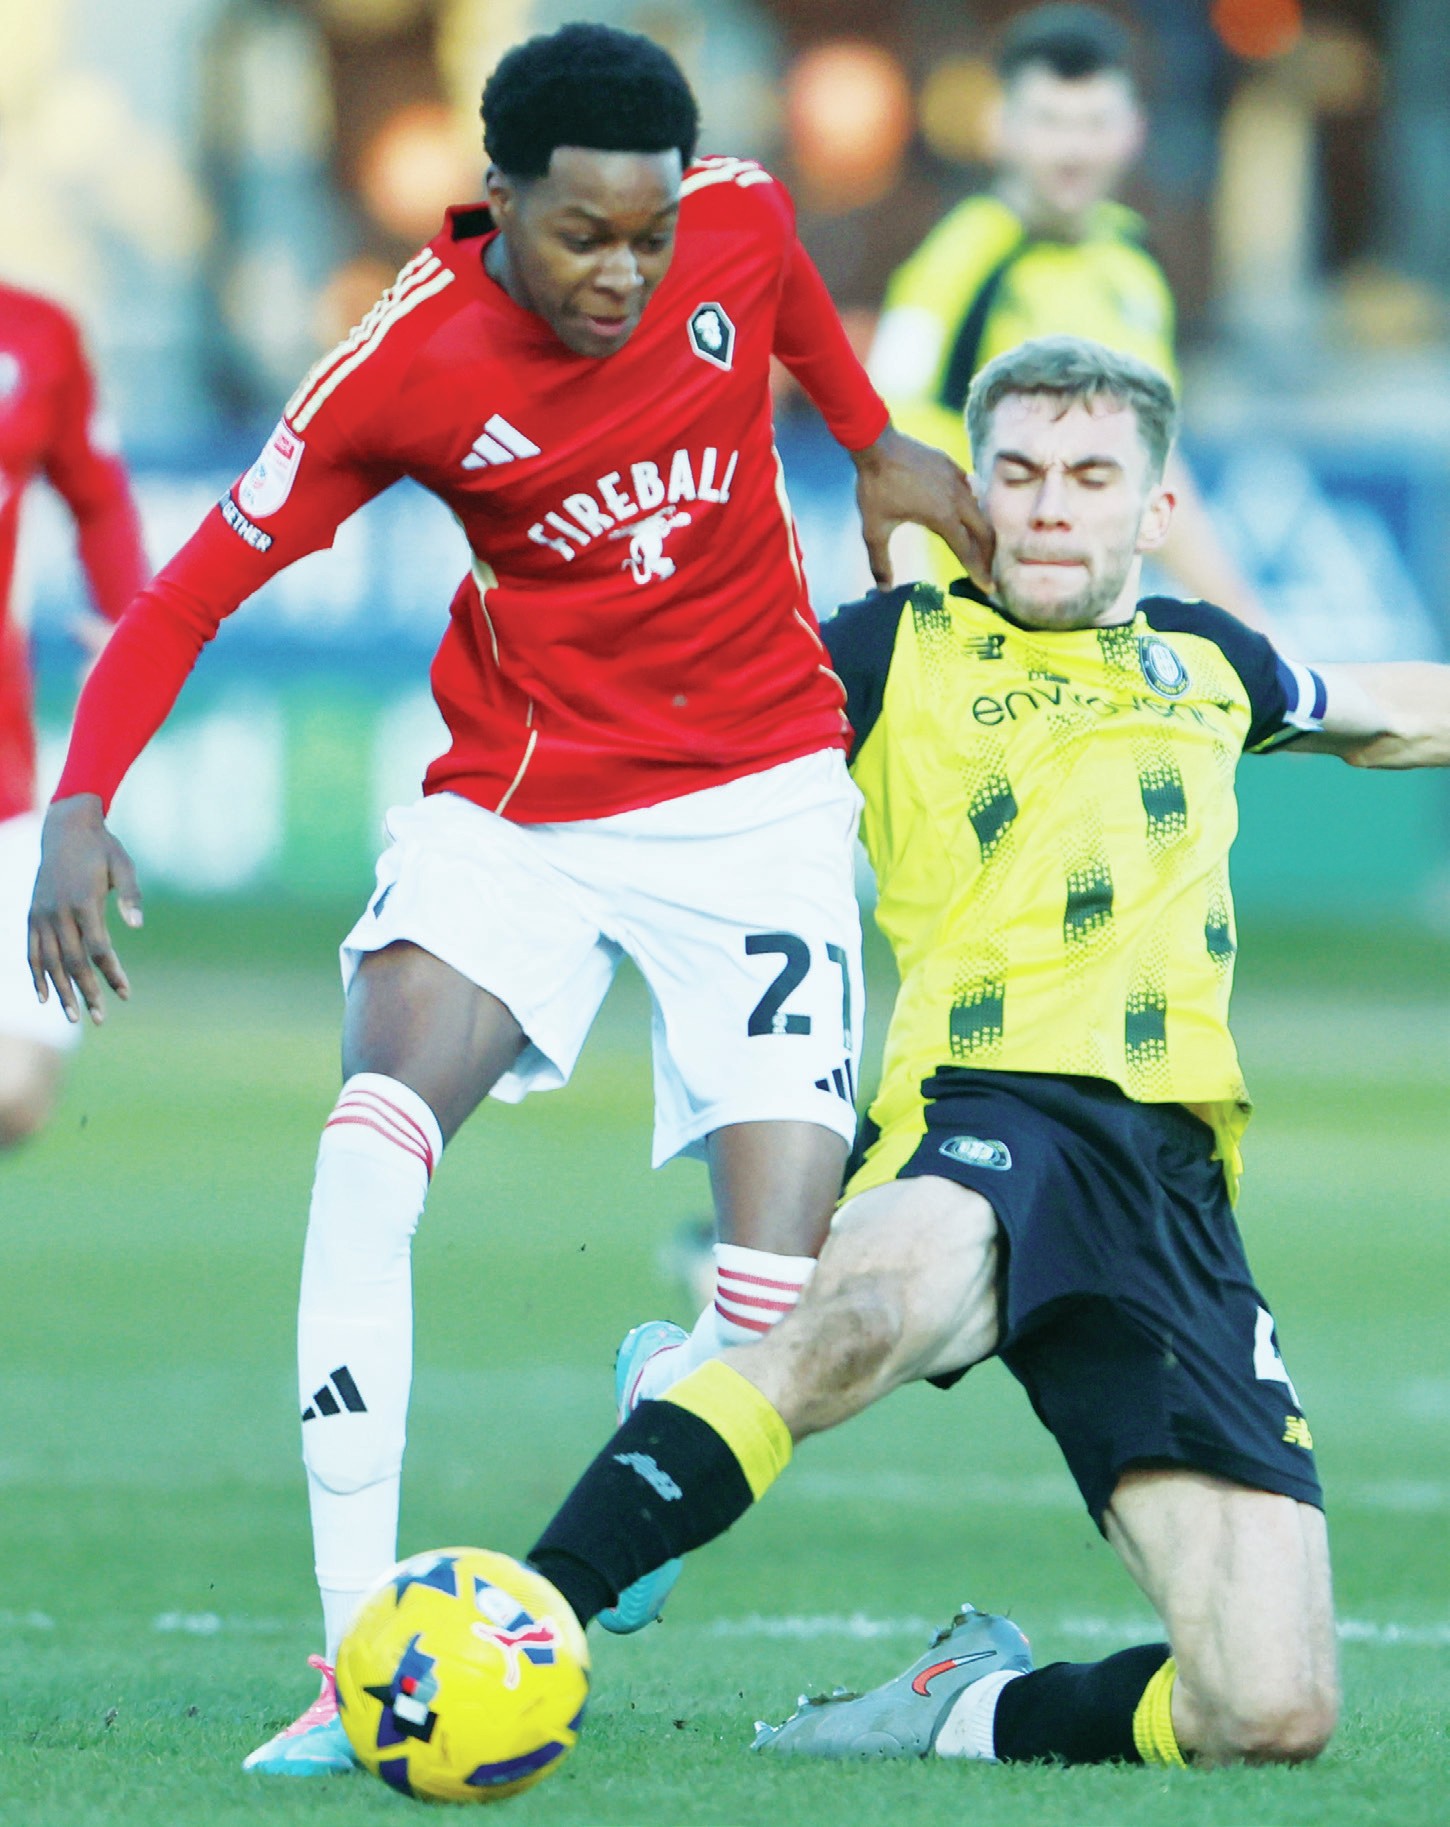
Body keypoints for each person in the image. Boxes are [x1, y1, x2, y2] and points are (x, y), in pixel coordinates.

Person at [25, 22, 990, 1776]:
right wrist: (80, 801)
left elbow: (784, 298)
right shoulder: (406, 361)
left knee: (772, 1306)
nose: (624, 273)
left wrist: (871, 439)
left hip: (764, 796)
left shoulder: (739, 221)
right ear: (500, 198)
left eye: (648, 236)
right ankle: (353, 1658)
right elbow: (189, 589)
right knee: (364, 1148)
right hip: (524, 811)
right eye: (581, 236)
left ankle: (670, 1388)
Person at [514, 335, 1450, 1770]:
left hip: (1172, 1184)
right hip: (985, 1108)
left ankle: (954, 1705)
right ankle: (518, 1617)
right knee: (859, 1322)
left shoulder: (1211, 660)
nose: (1049, 504)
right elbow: (668, 727)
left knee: (1267, 1708)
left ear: (1156, 507)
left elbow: (1395, 711)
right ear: (972, 493)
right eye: (1016, 471)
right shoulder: (890, 648)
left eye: (1089, 475)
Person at [869, 3, 1268, 628]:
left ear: (1133, 130)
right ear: (999, 127)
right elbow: (887, 462)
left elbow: (1156, 467)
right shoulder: (955, 269)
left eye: (1094, 123)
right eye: (1049, 121)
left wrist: (1251, 628)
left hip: (1088, 634)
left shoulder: (1134, 264)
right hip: (973, 637)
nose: (1073, 149)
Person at [0, 280, 147, 1149]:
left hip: (4, 772)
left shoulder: (36, 336)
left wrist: (127, 625)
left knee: (16, 1093)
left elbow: (98, 497)